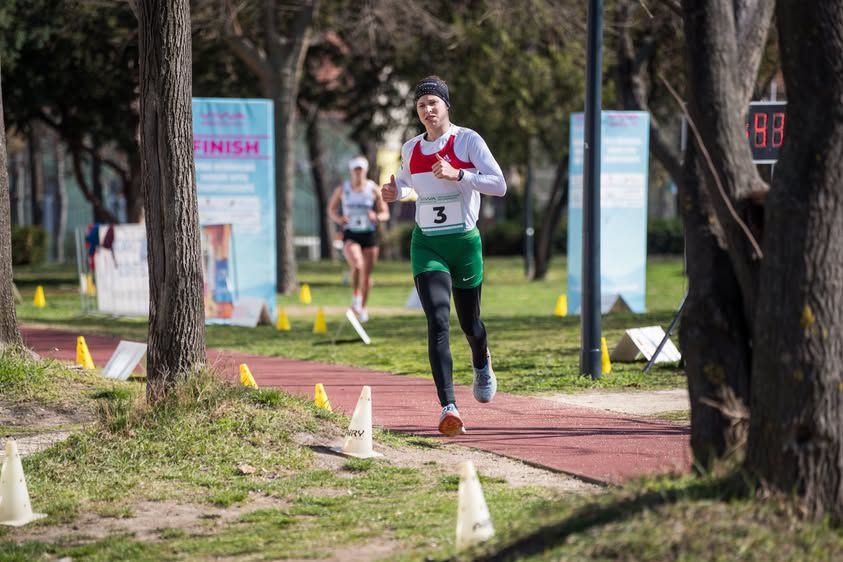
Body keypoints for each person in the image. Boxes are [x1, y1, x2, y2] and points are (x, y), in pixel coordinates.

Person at [381, 76, 507, 436]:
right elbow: (408, 183)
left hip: (464, 244)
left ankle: (481, 359)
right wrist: (396, 190)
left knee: (470, 324)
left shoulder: (467, 140)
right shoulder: (410, 148)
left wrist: (460, 174)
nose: (427, 110)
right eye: (421, 105)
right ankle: (448, 407)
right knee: (437, 320)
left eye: (433, 103)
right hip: (428, 245)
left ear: (446, 106)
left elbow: (499, 184)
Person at [328, 156, 390, 322]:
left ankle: (362, 307)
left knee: (367, 276)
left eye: (360, 169)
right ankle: (356, 297)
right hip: (351, 233)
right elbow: (331, 209)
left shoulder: (372, 188)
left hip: (369, 234)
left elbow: (385, 213)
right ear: (351, 171)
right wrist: (339, 218)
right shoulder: (343, 189)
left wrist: (376, 216)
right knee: (357, 265)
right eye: (355, 169)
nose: (358, 172)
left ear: (365, 170)